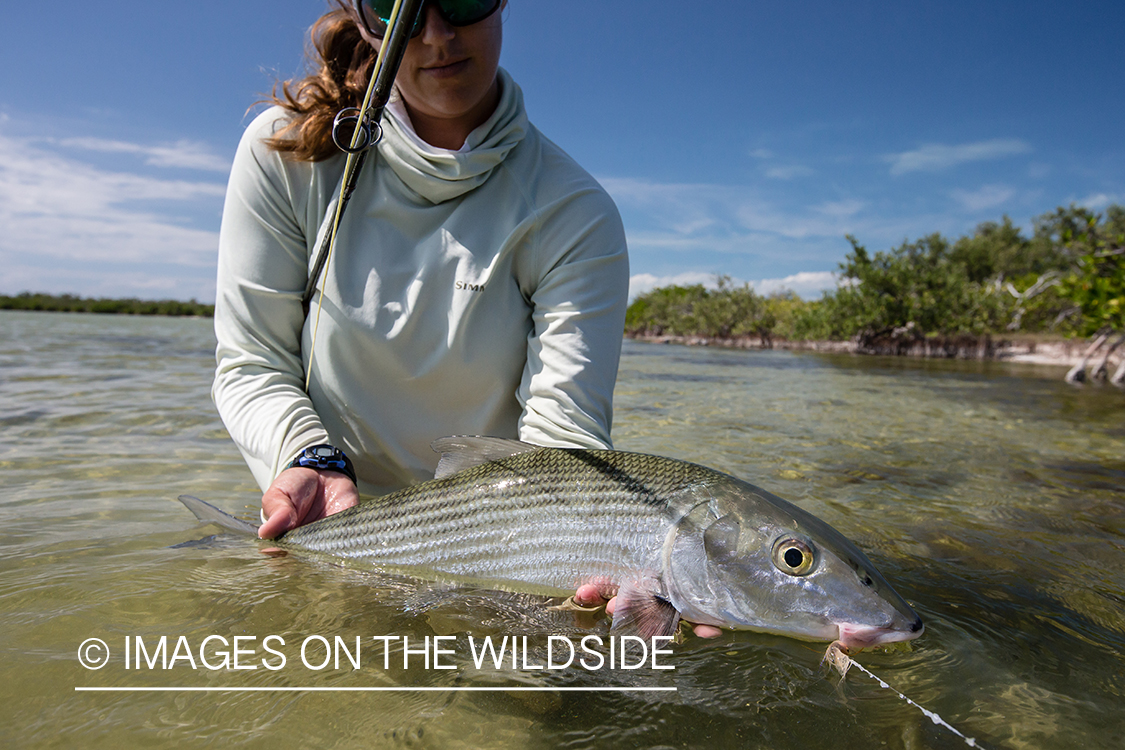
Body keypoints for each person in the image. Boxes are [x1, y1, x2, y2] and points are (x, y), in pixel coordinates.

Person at [212, 0, 629, 610]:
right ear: (364, 22)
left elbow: (562, 444)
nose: (437, 34)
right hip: (319, 512)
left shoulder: (576, 213)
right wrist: (306, 455)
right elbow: (251, 360)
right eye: (398, 6)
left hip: (499, 543)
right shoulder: (286, 150)